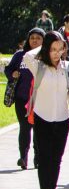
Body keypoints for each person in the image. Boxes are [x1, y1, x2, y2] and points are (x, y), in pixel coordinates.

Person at [22, 31, 69, 189]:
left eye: (60, 49)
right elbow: (27, 55)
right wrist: (46, 44)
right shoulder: (38, 66)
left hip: (62, 120)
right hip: (42, 118)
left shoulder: (68, 68)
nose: (57, 53)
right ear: (46, 49)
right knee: (44, 158)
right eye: (53, 49)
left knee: (56, 159)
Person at [5, 28, 44, 169]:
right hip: (22, 98)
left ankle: (38, 158)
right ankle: (23, 157)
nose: (34, 40)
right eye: (32, 38)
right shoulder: (20, 55)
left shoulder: (45, 55)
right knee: (25, 127)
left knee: (38, 129)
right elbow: (8, 69)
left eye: (38, 38)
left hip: (40, 99)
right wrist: (12, 74)